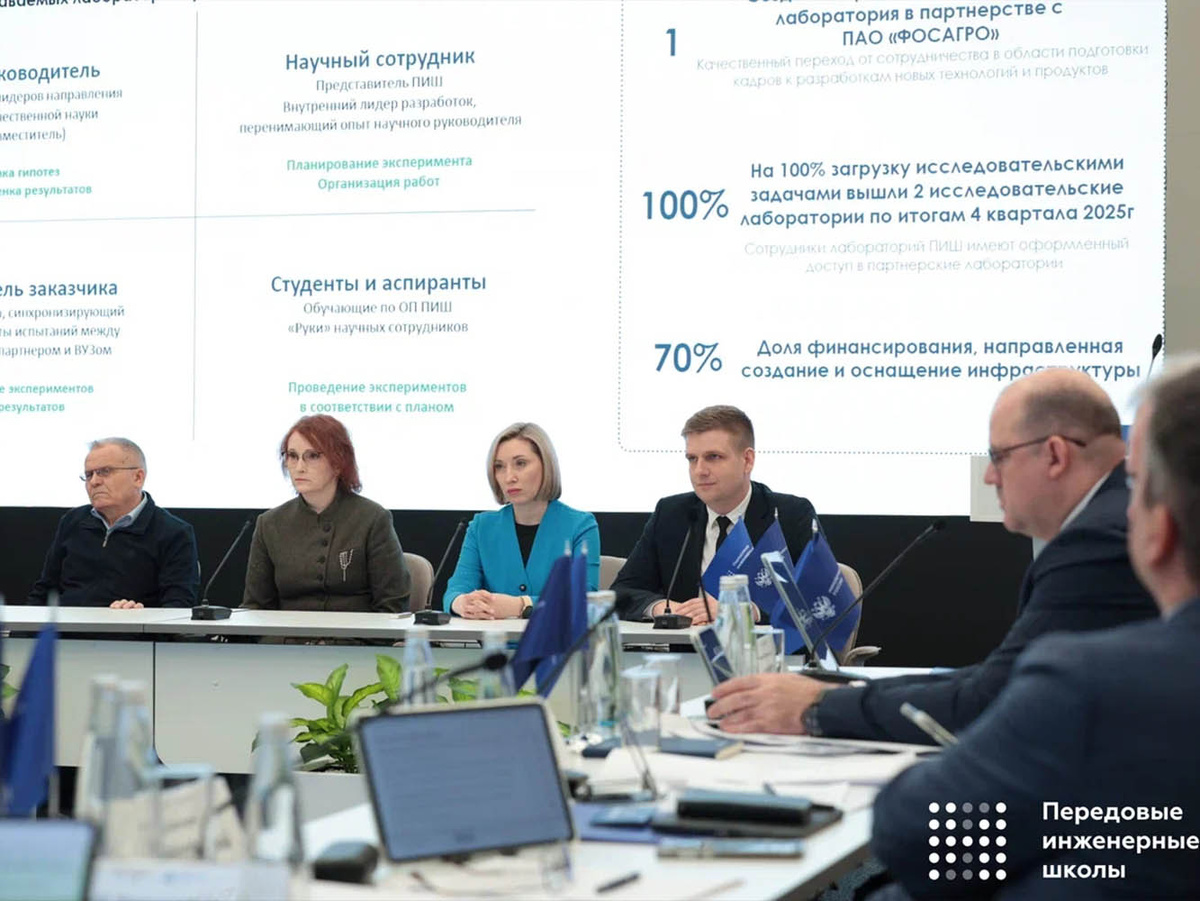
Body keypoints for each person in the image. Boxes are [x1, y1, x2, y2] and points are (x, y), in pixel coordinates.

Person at [870, 357, 1200, 899]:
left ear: (1160, 527)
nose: (1124, 505)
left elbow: (915, 836)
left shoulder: (1089, 680)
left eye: (1136, 481)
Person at [709, 369, 1157, 741]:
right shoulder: (1112, 520)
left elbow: (994, 700)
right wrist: (833, 691)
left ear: (1056, 456)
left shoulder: (1097, 544)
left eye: (998, 456)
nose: (989, 476)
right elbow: (999, 678)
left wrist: (817, 708)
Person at [611, 405, 817, 623]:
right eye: (692, 459)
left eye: (713, 457)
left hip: (759, 644)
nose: (699, 470)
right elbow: (622, 592)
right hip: (686, 644)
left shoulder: (790, 515)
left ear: (747, 460)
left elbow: (816, 598)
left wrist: (744, 612)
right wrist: (666, 609)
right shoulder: (671, 514)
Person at [242, 415, 410, 612]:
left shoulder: (372, 519)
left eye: (312, 456)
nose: (299, 467)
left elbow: (392, 606)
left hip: (354, 632)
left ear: (338, 463)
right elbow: (255, 608)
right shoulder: (270, 524)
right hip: (288, 632)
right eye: (292, 456)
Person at [444, 422, 599, 618]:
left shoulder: (580, 526)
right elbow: (457, 589)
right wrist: (462, 603)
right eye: (499, 467)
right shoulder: (481, 527)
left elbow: (584, 598)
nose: (509, 477)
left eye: (520, 463)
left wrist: (521, 605)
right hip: (494, 638)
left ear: (546, 465)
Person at [29, 438, 199, 608]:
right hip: (68, 624)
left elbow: (179, 605)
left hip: (129, 624)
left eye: (105, 471)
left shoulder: (173, 532)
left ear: (138, 477)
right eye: (89, 475)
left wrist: (143, 615)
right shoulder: (73, 521)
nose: (94, 482)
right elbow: (44, 592)